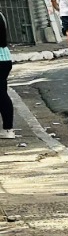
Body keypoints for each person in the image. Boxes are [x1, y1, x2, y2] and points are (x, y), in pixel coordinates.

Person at [0, 8, 13, 139]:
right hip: (5, 59)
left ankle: (8, 129)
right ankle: (8, 128)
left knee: (1, 95)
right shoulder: (1, 15)